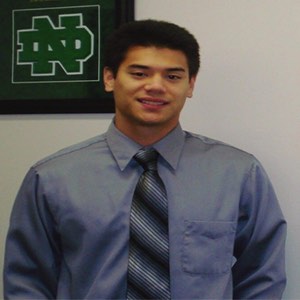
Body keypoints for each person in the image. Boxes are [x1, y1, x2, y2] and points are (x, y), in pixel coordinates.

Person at [3, 19, 286, 299]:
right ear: (109, 78)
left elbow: (263, 274)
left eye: (172, 76)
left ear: (191, 84)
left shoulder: (237, 174)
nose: (155, 86)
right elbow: (27, 282)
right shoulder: (52, 177)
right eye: (139, 74)